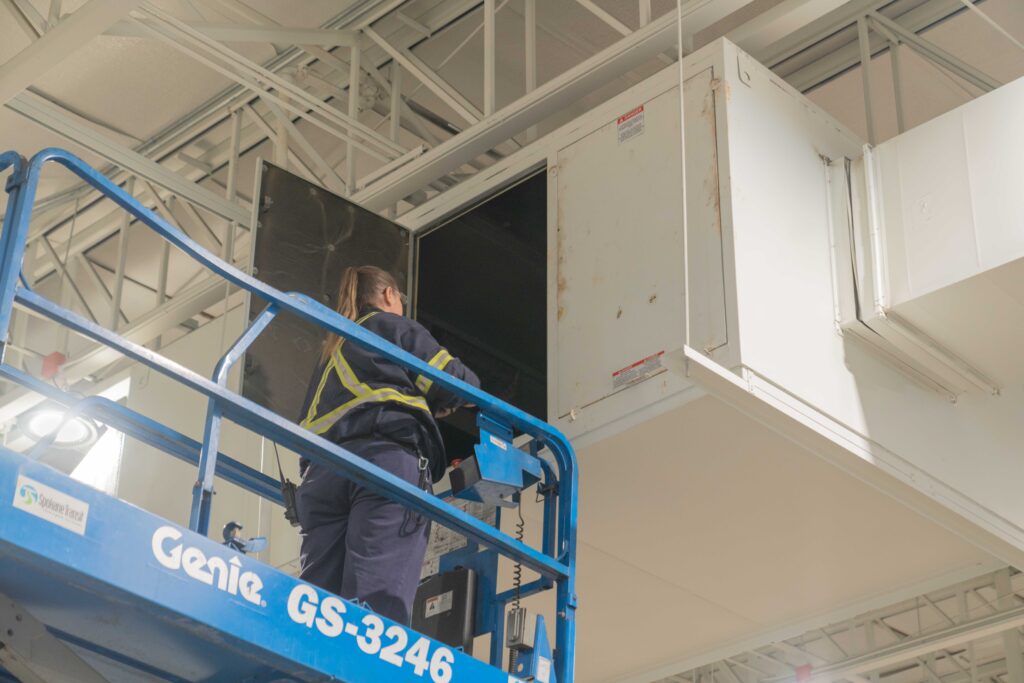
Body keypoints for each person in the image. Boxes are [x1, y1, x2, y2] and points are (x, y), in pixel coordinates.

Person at [295, 265, 480, 626]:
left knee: (318, 606)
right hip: (384, 468)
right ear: (389, 295)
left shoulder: (329, 355)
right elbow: (453, 381)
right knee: (375, 607)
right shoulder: (391, 326)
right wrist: (472, 396)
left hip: (320, 482)